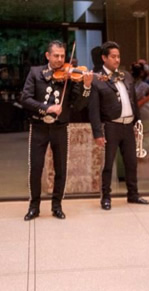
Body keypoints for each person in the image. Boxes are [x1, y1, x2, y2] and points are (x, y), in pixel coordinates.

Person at [21, 40, 93, 221]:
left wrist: (86, 87)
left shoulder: (71, 75)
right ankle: (34, 207)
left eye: (62, 56)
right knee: (36, 168)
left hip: (60, 128)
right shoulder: (35, 73)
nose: (60, 60)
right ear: (48, 55)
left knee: (61, 169)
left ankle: (57, 206)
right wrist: (47, 108)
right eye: (56, 56)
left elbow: (78, 106)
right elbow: (25, 99)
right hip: (38, 127)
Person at [88, 41, 149, 210]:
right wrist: (97, 133)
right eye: (113, 57)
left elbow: (134, 102)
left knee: (131, 162)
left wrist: (137, 122)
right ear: (104, 58)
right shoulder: (97, 79)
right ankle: (106, 198)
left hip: (128, 126)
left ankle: (133, 195)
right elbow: (93, 110)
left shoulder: (126, 76)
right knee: (108, 164)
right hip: (111, 126)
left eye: (118, 56)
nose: (117, 60)